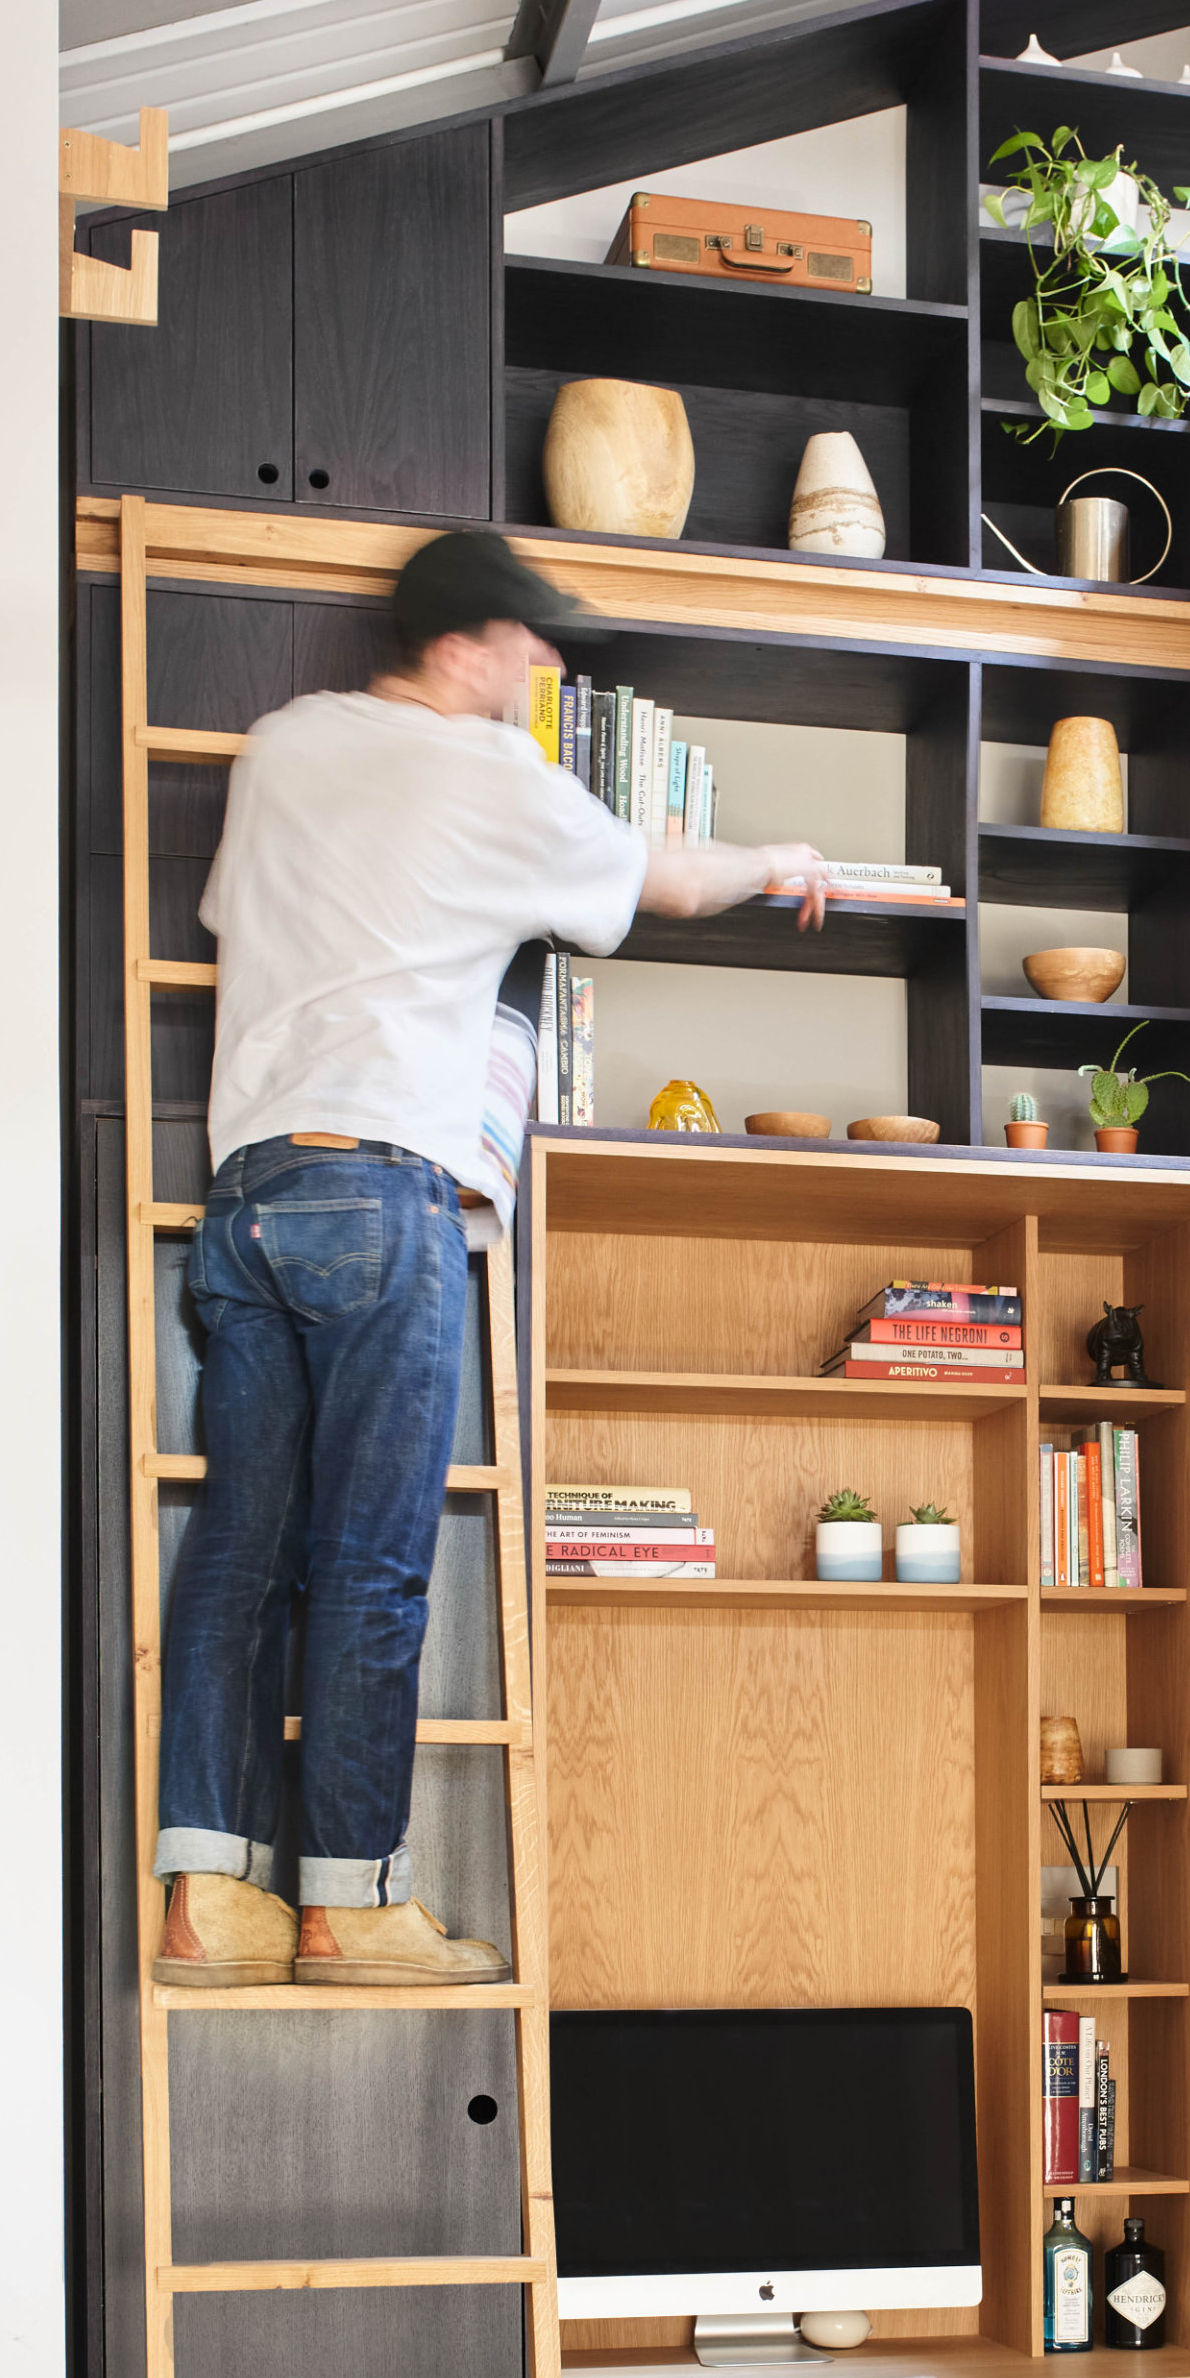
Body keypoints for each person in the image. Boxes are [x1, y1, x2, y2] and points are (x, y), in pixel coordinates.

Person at [153, 527, 829, 1991]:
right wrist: (785, 857)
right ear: (467, 644)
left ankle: (207, 1894)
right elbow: (663, 881)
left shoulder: (280, 747)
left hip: (245, 1198)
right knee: (373, 1564)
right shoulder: (489, 774)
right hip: (383, 1195)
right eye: (528, 652)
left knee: (238, 1552)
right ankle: (350, 1902)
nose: (538, 677)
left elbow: (232, 919)